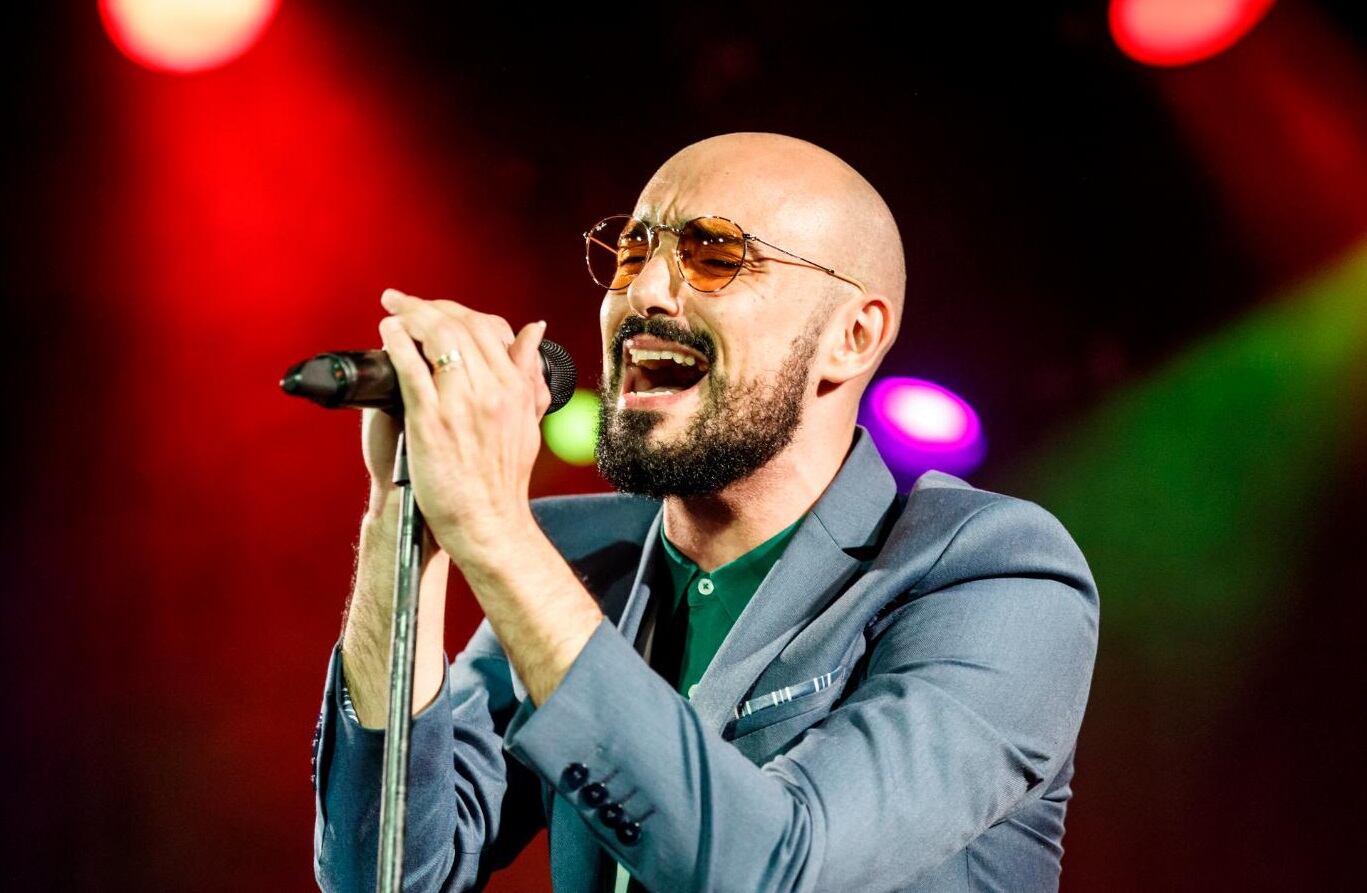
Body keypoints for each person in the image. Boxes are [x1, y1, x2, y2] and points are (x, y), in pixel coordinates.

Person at [311, 132, 1099, 892]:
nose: (643, 291)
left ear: (851, 338)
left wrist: (493, 531)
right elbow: (392, 869)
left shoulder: (992, 574)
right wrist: (403, 524)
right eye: (631, 250)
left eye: (714, 254)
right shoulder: (576, 559)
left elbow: (777, 864)